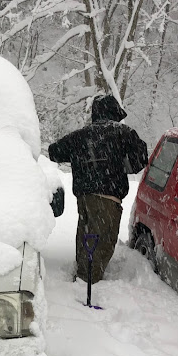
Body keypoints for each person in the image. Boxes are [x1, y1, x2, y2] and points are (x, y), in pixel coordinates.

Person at [48, 94, 148, 283]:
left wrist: (80, 157)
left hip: (84, 196)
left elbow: (54, 151)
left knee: (86, 236)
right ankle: (87, 283)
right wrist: (122, 165)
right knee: (102, 241)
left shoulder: (80, 135)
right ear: (114, 113)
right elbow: (141, 159)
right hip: (108, 197)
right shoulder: (123, 133)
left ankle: (83, 275)